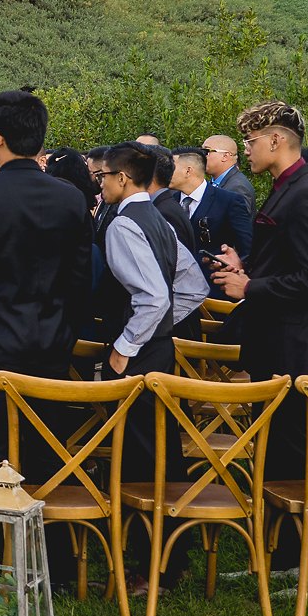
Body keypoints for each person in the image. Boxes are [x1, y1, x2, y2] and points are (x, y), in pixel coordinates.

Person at [209, 101, 308, 599]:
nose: (245, 150)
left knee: (307, 458)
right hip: (277, 342)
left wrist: (250, 289)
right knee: (282, 458)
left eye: (249, 141)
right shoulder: (287, 188)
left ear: (276, 140)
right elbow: (286, 258)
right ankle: (293, 559)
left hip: (297, 347)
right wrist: (243, 263)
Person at [0, 90, 91, 501]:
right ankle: (48, 545)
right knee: (46, 449)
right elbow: (80, 276)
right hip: (52, 343)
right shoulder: (71, 197)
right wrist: (67, 332)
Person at [94, 144, 209, 590]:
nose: (100, 182)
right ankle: (171, 557)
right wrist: (160, 329)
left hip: (139, 354)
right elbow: (192, 285)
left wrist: (127, 343)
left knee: (143, 456)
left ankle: (151, 567)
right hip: (159, 349)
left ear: (123, 179)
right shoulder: (158, 217)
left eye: (104, 175)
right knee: (163, 450)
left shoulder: (124, 223)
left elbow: (155, 296)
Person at [169, 146, 253, 264]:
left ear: (188, 171)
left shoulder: (228, 201)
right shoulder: (170, 201)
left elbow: (247, 248)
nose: (166, 172)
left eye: (171, 168)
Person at [203, 133, 255, 209]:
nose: (201, 156)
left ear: (225, 156)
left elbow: (239, 220)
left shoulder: (237, 187)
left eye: (206, 151)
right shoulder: (214, 183)